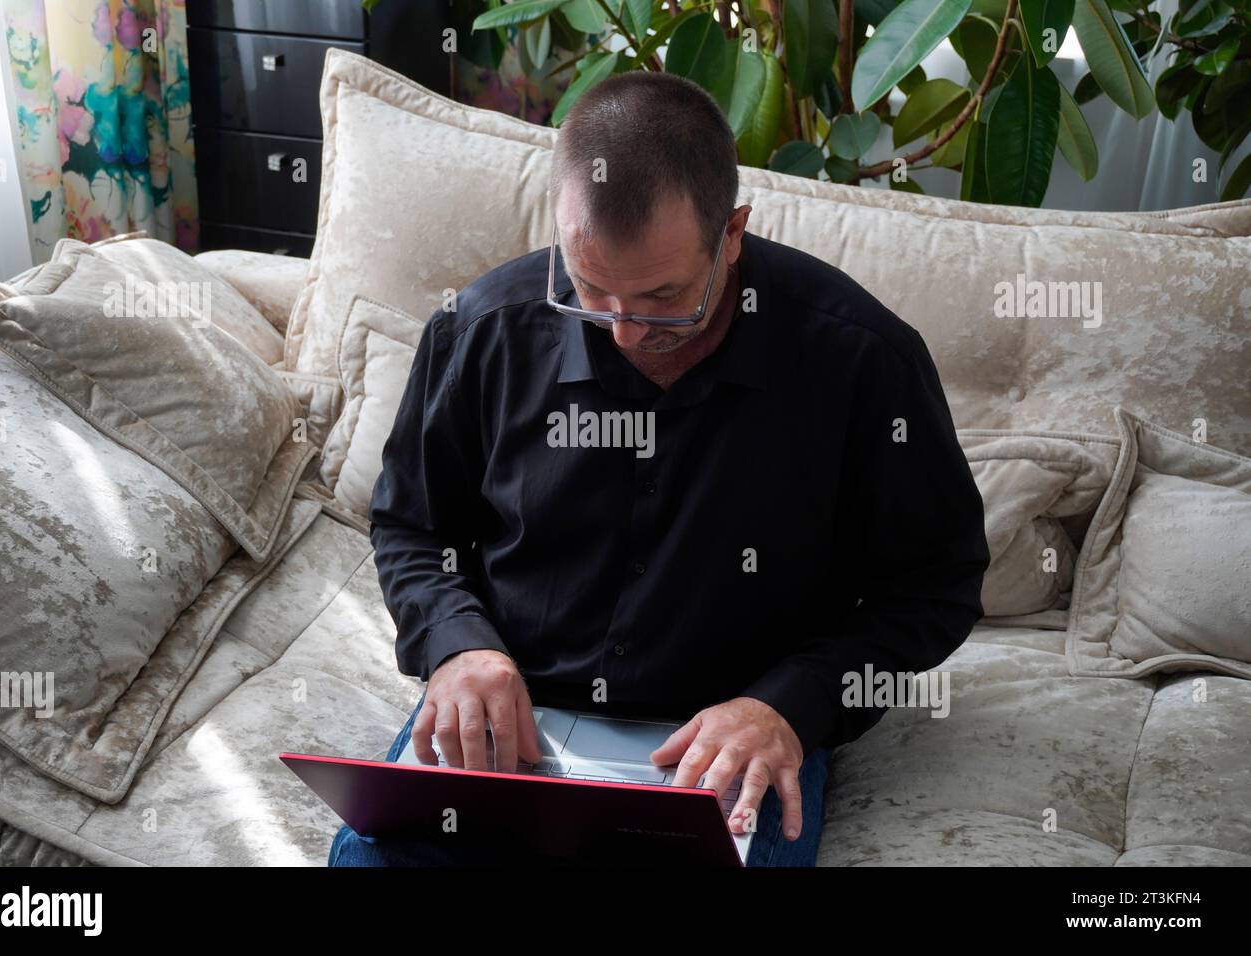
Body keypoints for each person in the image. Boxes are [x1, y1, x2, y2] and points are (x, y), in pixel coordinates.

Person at [329, 69, 990, 867]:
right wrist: (456, 646)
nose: (623, 333)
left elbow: (934, 585)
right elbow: (411, 525)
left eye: (663, 298)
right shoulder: (482, 330)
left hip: (732, 736)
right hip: (514, 718)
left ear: (733, 232)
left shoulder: (862, 361)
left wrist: (790, 704)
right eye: (589, 292)